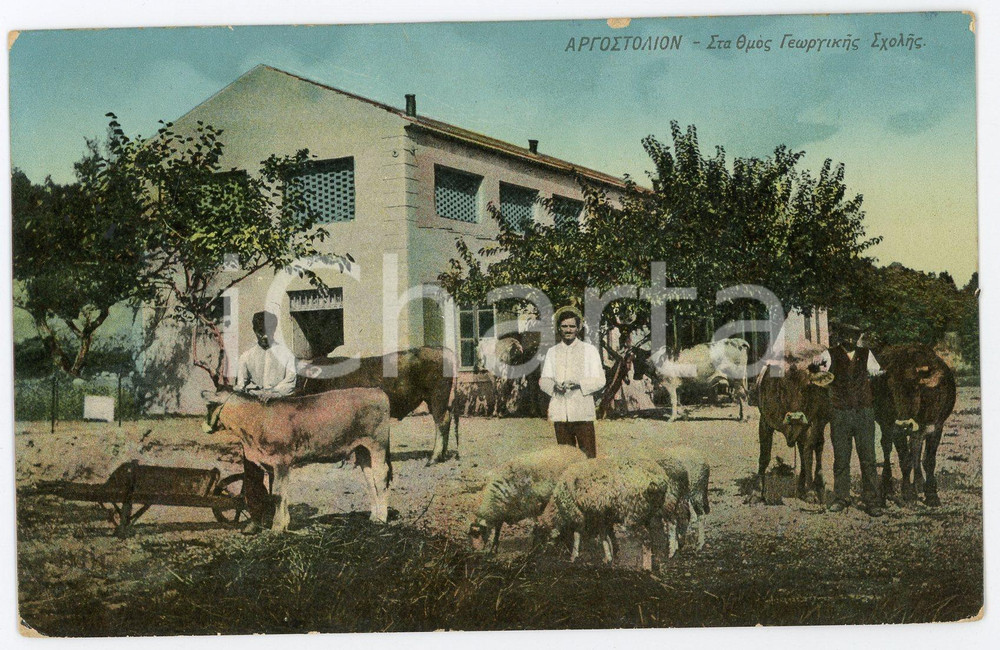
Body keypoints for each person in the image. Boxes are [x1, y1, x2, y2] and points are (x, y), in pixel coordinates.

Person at [234, 310, 298, 534]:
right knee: (252, 469)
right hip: (253, 419)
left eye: (267, 332)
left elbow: (290, 382)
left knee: (276, 469)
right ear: (254, 331)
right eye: (260, 332)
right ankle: (257, 517)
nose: (264, 336)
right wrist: (253, 392)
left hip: (277, 415)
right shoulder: (246, 357)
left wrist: (272, 392)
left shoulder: (286, 355)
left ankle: (275, 517)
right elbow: (240, 386)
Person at [815, 321, 884, 517]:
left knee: (868, 458)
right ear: (840, 336)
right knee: (841, 458)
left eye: (855, 336)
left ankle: (871, 500)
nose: (852, 340)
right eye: (847, 335)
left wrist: (880, 376)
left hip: (864, 412)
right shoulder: (829, 354)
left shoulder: (866, 354)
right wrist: (817, 373)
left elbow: (875, 372)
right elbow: (817, 373)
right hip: (840, 412)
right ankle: (841, 498)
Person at [539, 306, 606, 458]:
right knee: (565, 459)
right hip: (560, 414)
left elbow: (600, 380)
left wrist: (579, 384)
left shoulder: (589, 351)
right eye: (564, 326)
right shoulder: (552, 352)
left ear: (578, 328)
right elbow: (544, 380)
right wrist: (554, 386)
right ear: (558, 328)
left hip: (582, 413)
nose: (568, 330)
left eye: (572, 326)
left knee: (588, 459)